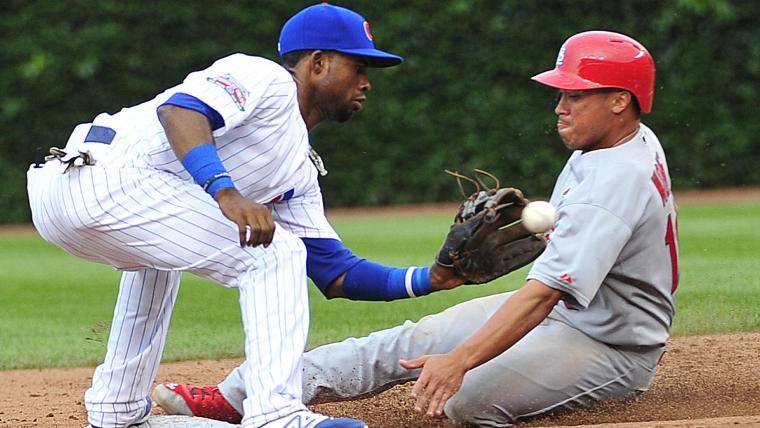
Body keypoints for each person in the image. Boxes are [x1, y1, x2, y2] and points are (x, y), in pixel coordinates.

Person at [154, 30, 679, 427]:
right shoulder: (617, 140)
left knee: (465, 399)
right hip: (568, 316)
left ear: (620, 100)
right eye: (561, 92)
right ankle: (236, 395)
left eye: (577, 95)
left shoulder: (613, 180)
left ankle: (594, 391)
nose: (561, 106)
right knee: (408, 341)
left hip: (611, 345)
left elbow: (543, 295)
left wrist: (462, 359)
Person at [26, 4, 465, 428]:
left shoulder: (297, 170)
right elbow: (180, 111)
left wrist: (433, 278)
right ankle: (276, 414)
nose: (367, 83)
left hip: (94, 196)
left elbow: (335, 272)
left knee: (163, 264)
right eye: (358, 67)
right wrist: (224, 191)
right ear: (317, 63)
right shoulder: (266, 78)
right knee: (275, 255)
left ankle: (115, 408)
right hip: (96, 178)